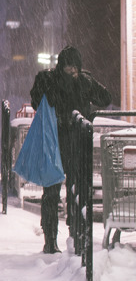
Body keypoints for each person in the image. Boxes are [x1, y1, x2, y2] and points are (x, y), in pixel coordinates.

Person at [29, 45, 111, 254]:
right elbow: (36, 100)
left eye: (75, 68)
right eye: (69, 69)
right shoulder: (53, 81)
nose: (72, 73)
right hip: (59, 144)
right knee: (54, 194)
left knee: (76, 192)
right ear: (62, 67)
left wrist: (86, 82)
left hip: (70, 146)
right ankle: (52, 240)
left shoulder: (78, 81)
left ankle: (75, 236)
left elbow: (105, 98)